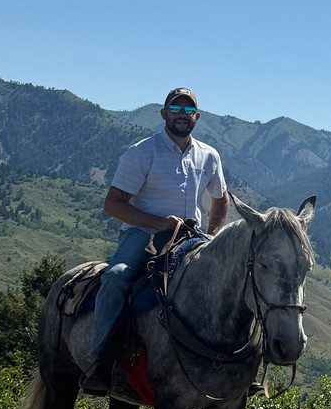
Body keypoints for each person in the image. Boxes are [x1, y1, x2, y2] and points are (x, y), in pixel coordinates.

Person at [85, 87, 229, 393]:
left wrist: (213, 236)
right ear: (164, 113)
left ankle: (237, 367)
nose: (182, 116)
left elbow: (221, 199)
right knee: (116, 276)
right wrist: (157, 222)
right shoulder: (141, 152)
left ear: (197, 117)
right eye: (175, 110)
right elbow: (113, 204)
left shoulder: (209, 155)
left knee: (235, 282)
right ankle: (99, 362)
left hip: (191, 237)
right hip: (143, 234)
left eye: (188, 111)